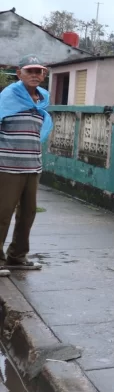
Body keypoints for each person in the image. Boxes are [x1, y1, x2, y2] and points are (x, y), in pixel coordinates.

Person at [0, 55, 53, 274]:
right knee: (2, 213)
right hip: (7, 166)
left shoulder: (41, 101)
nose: (34, 75)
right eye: (29, 71)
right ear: (19, 72)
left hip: (32, 166)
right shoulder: (7, 98)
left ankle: (17, 256)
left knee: (28, 213)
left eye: (38, 71)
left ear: (44, 74)